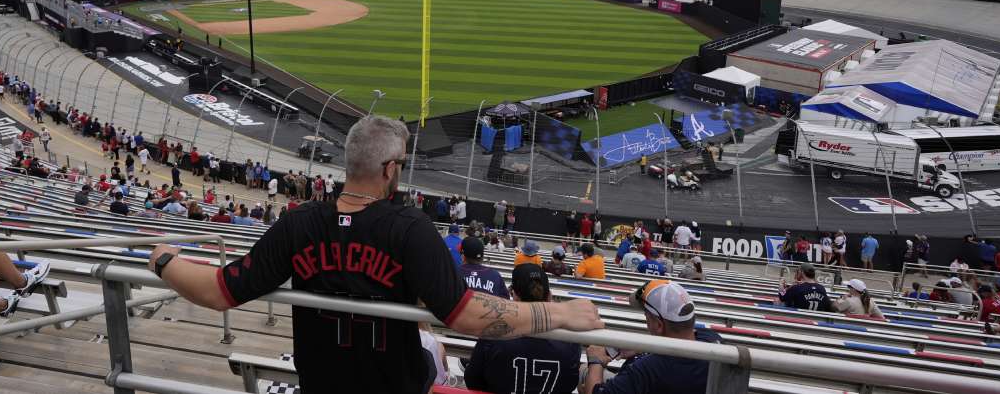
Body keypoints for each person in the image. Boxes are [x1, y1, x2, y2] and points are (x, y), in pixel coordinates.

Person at [145, 115, 601, 394]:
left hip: (321, 385)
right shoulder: (410, 228)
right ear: (388, 169)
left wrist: (164, 260)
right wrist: (557, 314)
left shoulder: (298, 222)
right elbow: (467, 316)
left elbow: (219, 291)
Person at [582, 280, 720, 394]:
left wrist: (595, 361)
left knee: (583, 375)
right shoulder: (713, 340)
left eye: (647, 316)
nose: (646, 321)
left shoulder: (647, 369)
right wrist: (642, 348)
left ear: (659, 325)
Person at [465, 264, 582, 394]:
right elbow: (570, 384)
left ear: (514, 296)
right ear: (549, 296)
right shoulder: (570, 340)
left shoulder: (493, 334)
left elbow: (472, 381)